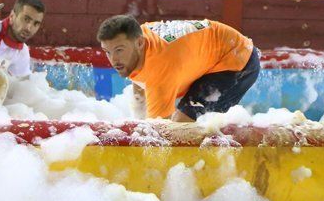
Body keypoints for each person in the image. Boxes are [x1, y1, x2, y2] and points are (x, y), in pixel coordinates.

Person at [98, 15, 259, 121]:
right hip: (213, 48)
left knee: (179, 122)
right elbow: (139, 81)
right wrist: (138, 119)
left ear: (140, 43)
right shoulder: (139, 36)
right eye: (107, 52)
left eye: (119, 50)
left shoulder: (159, 71)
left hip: (237, 60)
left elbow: (159, 136)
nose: (113, 60)